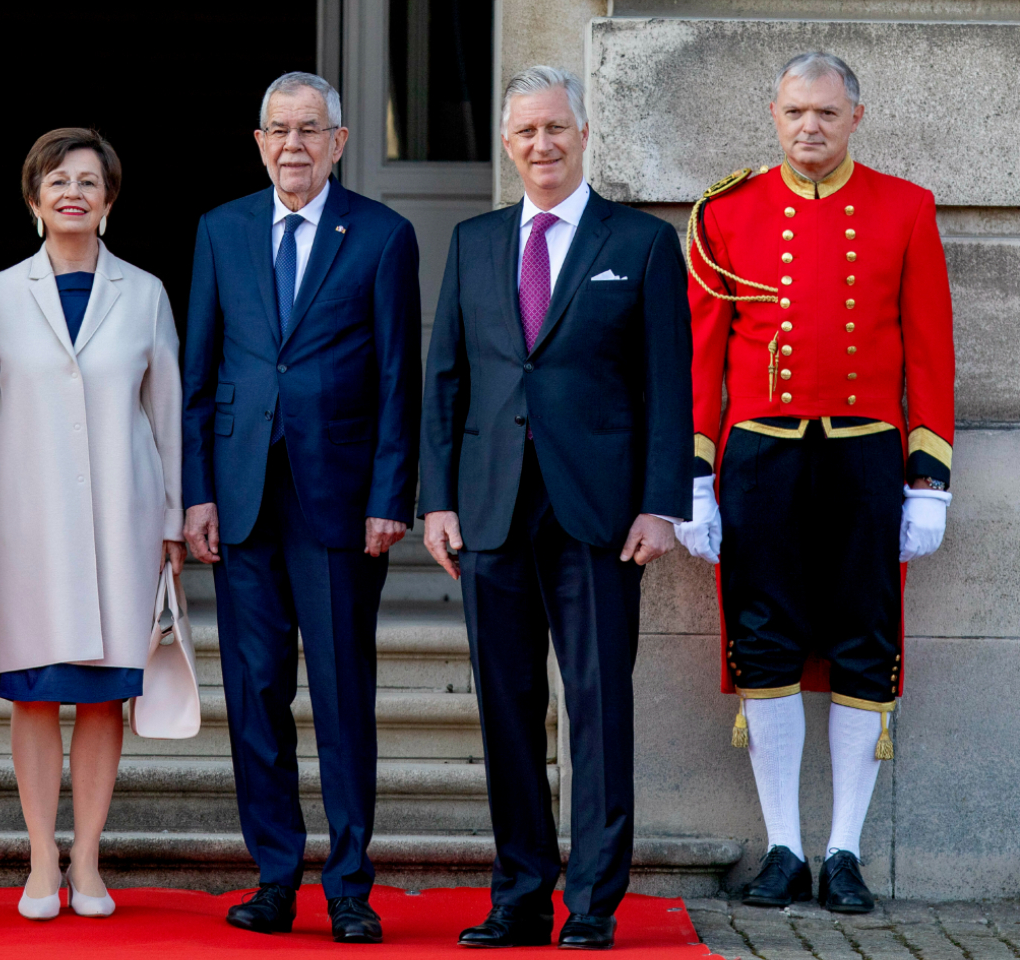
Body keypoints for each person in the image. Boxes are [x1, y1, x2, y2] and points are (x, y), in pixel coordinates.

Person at [674, 51, 955, 914]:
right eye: (796, 111)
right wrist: (692, 476)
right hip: (760, 457)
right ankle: (785, 848)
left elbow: (930, 350)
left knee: (866, 647)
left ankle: (844, 853)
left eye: (827, 113)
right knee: (765, 647)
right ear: (773, 112)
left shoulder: (906, 207)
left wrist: (929, 477)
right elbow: (703, 355)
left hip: (866, 458)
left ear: (855, 118)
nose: (810, 128)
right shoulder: (726, 212)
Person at [419, 66, 691, 950]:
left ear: (583, 134)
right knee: (505, 706)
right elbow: (447, 381)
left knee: (599, 706)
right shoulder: (474, 240)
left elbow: (667, 387)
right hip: (491, 507)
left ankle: (593, 903)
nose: (542, 144)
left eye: (556, 128)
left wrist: (661, 504)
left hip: (600, 515)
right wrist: (438, 502)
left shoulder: (642, 243)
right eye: (526, 131)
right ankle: (520, 894)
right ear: (507, 144)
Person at [182, 71, 420, 945]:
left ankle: (351, 885)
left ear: (340, 142)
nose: (293, 144)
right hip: (242, 501)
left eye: (310, 130)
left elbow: (401, 379)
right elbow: (198, 374)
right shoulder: (222, 229)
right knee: (255, 693)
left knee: (343, 696)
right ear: (259, 141)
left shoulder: (384, 237)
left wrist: (392, 495)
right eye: (279, 129)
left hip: (342, 503)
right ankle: (276, 875)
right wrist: (196, 491)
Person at [0, 128, 184, 921]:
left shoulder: (145, 294)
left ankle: (87, 855)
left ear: (110, 201)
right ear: (33, 199)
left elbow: (169, 415)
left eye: (89, 181)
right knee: (34, 690)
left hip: (125, 519)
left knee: (101, 694)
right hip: (28, 521)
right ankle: (39, 854)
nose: (73, 192)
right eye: (57, 181)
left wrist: (174, 522)